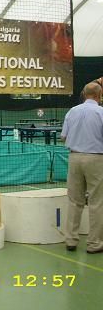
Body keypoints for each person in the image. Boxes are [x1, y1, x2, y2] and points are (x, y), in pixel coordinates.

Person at [61, 82, 103, 254]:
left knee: (74, 201)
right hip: (96, 159)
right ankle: (94, 244)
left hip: (74, 158)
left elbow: (63, 137)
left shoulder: (72, 111)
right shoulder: (101, 112)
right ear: (99, 96)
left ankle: (70, 240)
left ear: (84, 94)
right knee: (97, 202)